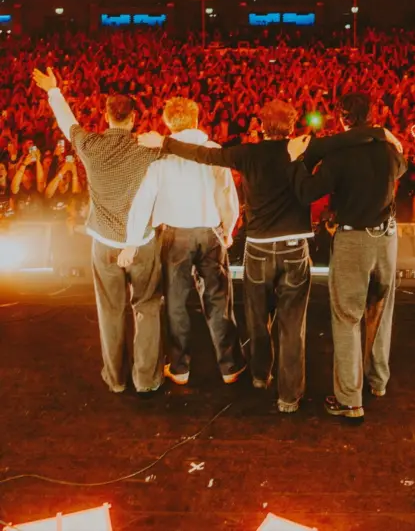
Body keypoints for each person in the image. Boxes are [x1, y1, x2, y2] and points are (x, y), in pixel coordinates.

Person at [139, 100, 395, 414]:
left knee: (257, 320)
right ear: (291, 126)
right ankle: (289, 397)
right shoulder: (301, 148)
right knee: (291, 326)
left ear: (261, 125)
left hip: (259, 249)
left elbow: (203, 155)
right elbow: (340, 140)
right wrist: (380, 133)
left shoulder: (247, 153)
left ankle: (261, 375)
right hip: (293, 249)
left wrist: (164, 142)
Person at [32, 67, 166, 397]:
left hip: (104, 242)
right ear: (134, 117)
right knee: (147, 308)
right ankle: (146, 379)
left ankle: (117, 379)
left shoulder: (90, 145)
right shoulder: (148, 149)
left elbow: (68, 125)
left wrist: (54, 91)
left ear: (106, 115)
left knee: (110, 311)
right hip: (143, 243)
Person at [288, 93, 407, 424]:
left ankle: (350, 400)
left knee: (347, 317)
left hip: (355, 239)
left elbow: (307, 192)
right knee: (380, 312)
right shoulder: (388, 150)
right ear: (371, 115)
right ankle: (377, 381)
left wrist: (298, 161)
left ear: (341, 118)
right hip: (388, 237)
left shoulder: (337, 156)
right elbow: (402, 166)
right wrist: (388, 137)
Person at [127, 97, 244, 386]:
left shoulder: (160, 154)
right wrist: (228, 228)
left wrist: (132, 238)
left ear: (167, 122)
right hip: (209, 232)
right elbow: (227, 195)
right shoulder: (214, 150)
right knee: (219, 300)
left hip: (175, 235)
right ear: (196, 118)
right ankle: (230, 366)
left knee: (176, 303)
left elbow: (144, 198)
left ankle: (179, 368)